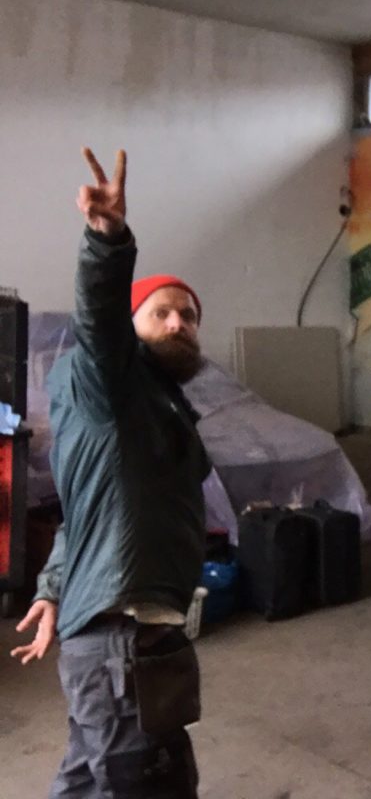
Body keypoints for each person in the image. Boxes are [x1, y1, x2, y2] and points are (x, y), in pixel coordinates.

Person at [10, 148, 209, 798]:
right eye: (162, 312)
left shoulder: (150, 405)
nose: (178, 323)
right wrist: (107, 239)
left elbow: (87, 512)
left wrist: (52, 588)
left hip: (109, 644)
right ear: (129, 327)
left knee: (86, 784)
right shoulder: (112, 383)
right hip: (126, 642)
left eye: (189, 316)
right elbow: (98, 319)